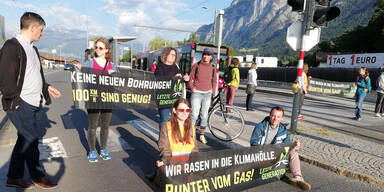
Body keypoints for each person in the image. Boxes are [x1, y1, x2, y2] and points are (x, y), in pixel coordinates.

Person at [0, 12, 61, 189]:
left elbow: (35, 75)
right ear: (32, 27)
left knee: (24, 140)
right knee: (32, 139)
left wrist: (46, 87)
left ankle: (13, 176)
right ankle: (38, 176)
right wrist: (17, 102)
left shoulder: (32, 48)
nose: (42, 33)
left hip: (35, 103)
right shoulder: (12, 47)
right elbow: (5, 79)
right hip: (21, 104)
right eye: (41, 30)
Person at [74, 37, 116, 162]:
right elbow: (81, 75)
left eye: (100, 48)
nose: (97, 50)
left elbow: (118, 82)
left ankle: (103, 149)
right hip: (93, 97)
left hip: (107, 99)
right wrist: (78, 68)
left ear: (107, 50)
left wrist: (114, 75)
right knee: (92, 126)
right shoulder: (90, 63)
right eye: (96, 47)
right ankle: (92, 150)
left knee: (105, 126)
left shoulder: (112, 65)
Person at [250, 106, 311, 190]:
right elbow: (253, 144)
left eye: (278, 117)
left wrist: (294, 146)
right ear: (270, 115)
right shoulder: (260, 127)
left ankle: (298, 177)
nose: (275, 119)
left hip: (276, 156)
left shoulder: (283, 130)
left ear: (281, 118)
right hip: (263, 156)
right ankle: (280, 169)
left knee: (294, 152)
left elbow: (287, 145)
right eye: (273, 116)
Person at [154, 47, 189, 129]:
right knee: (165, 120)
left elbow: (180, 81)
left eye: (175, 55)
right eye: (171, 55)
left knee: (175, 120)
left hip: (175, 98)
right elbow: (159, 80)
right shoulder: (160, 67)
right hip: (164, 98)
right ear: (166, 55)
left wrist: (185, 79)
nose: (173, 56)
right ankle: (163, 140)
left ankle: (172, 140)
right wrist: (173, 78)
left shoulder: (176, 67)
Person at [157, 98, 198, 167]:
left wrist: (193, 164)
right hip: (171, 164)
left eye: (187, 110)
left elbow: (195, 149)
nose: (185, 113)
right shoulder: (167, 126)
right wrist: (166, 161)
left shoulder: (192, 128)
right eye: (181, 110)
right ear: (174, 110)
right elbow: (164, 148)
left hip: (187, 165)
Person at [188, 48, 217, 144]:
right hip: (197, 93)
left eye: (208, 55)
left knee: (204, 115)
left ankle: (202, 135)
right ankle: (190, 135)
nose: (206, 56)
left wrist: (212, 90)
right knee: (194, 114)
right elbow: (191, 78)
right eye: (205, 54)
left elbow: (214, 81)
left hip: (207, 94)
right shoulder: (196, 65)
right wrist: (192, 88)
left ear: (211, 57)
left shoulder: (213, 67)